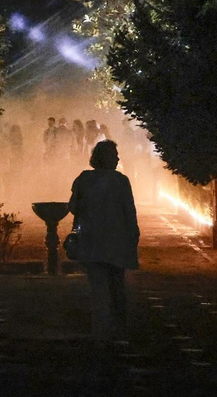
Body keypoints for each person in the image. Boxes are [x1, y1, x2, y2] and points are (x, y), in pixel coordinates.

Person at [68, 139, 140, 342]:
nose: (117, 158)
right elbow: (129, 212)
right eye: (114, 154)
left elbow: (73, 208)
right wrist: (133, 237)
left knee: (98, 288)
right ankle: (119, 328)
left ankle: (101, 330)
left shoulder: (83, 179)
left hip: (91, 242)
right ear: (104, 157)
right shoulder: (121, 181)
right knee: (117, 286)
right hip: (116, 243)